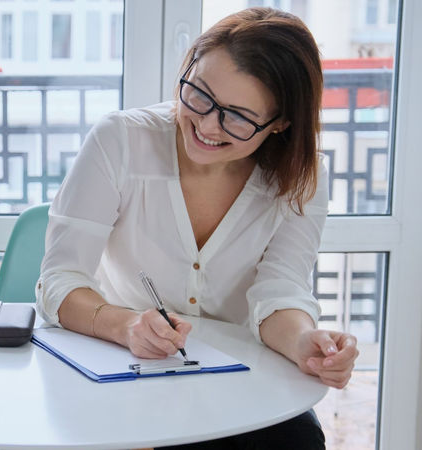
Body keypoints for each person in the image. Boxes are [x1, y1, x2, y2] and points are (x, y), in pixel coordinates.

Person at [36, 7, 358, 448]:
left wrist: (305, 341)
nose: (206, 125)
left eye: (238, 116)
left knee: (298, 442)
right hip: (121, 369)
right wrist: (127, 326)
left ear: (281, 123)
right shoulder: (121, 140)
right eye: (199, 94)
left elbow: (279, 292)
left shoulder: (303, 179)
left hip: (240, 379)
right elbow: (60, 279)